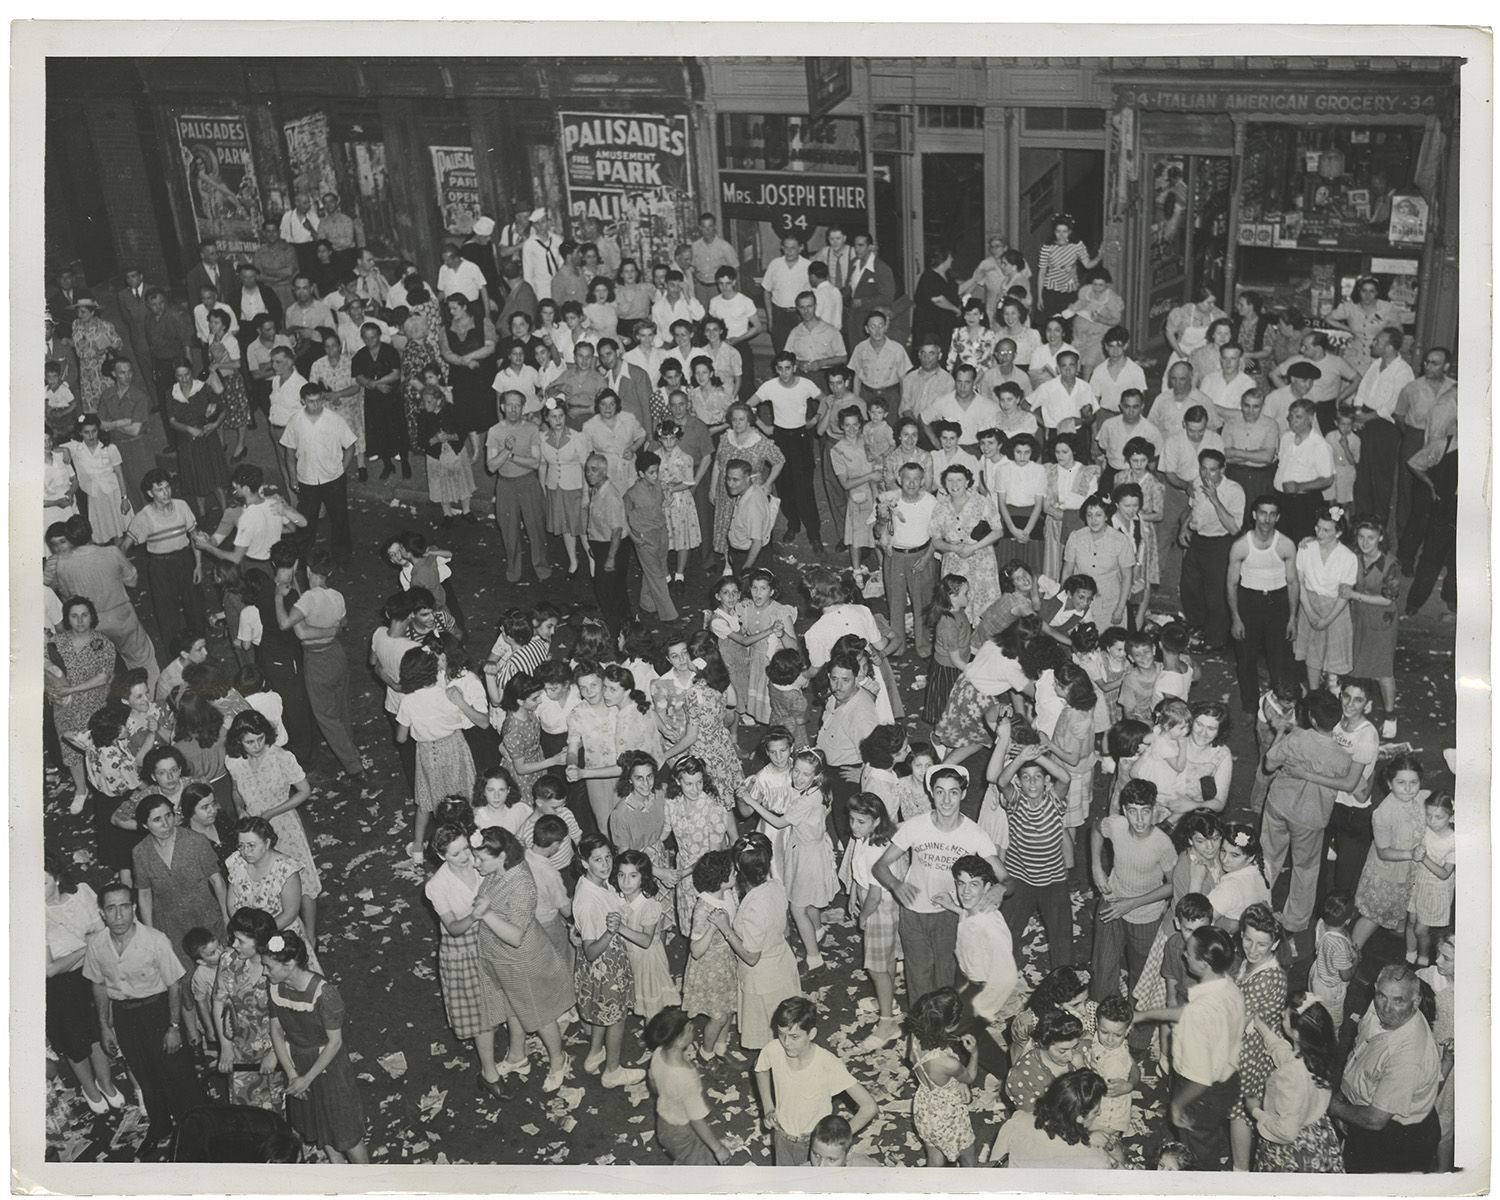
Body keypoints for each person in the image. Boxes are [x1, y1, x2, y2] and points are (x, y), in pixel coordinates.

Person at [83, 882, 207, 1158]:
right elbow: (99, 986)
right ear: (102, 913)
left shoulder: (155, 940)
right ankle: (160, 1127)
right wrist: (105, 1026)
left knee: (179, 1076)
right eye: (111, 909)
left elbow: (174, 985)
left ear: (134, 908)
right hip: (125, 1016)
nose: (118, 916)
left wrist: (174, 1027)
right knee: (145, 1076)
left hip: (158, 1012)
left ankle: (195, 1131)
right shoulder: (97, 944)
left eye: (124, 907)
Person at [1135, 925, 1244, 1170]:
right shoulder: (1226, 985)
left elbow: (1200, 1079)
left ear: (1204, 963)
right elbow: (1188, 1012)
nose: (1184, 954)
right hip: (1227, 1082)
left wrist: (1176, 1105)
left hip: (1199, 1094)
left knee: (1198, 1155)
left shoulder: (1199, 1013)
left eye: (1189, 952)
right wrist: (1146, 1015)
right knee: (1208, 1137)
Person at [265, 929, 370, 1163]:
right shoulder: (275, 986)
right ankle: (337, 1168)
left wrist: (306, 1079)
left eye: (269, 966)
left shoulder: (325, 995)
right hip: (297, 1064)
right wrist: (293, 1075)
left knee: (345, 1132)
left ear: (290, 964)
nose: (265, 971)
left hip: (327, 1067)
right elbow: (277, 1031)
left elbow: (335, 1043)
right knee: (318, 1124)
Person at [1328, 964, 1441, 1172]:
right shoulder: (1381, 1007)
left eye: (1398, 1001)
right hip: (1364, 1112)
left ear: (1415, 1002)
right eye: (1381, 996)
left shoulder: (1408, 1057)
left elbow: (1375, 1119)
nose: (1386, 1008)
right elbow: (1361, 1051)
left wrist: (1334, 1107)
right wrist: (1346, 1100)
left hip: (1394, 1139)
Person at [45, 853, 125, 1117]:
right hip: (60, 987)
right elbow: (50, 969)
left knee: (95, 1031)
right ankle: (90, 1089)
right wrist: (85, 947)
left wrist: (79, 951)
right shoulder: (33, 914)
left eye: (43, 883)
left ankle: (106, 1083)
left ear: (56, 878)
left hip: (91, 974)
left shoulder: (83, 894)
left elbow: (104, 933)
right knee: (73, 1039)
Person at [753, 995, 876, 1165]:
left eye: (794, 1036)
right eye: (781, 1035)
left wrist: (835, 1140)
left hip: (813, 1146)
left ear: (811, 1033)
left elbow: (869, 1106)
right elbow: (761, 1070)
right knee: (785, 1184)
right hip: (781, 1135)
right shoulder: (773, 1050)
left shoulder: (827, 1064)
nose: (786, 1043)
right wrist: (768, 1107)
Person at [1089, 780, 1176, 1001]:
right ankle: (1102, 1014)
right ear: (1124, 810)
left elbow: (1173, 885)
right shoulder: (1116, 825)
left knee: (1141, 974)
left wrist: (1133, 903)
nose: (1139, 820)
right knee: (1103, 967)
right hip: (1112, 901)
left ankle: (1133, 1020)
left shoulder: (1162, 844)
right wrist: (1096, 867)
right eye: (1132, 811)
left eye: (1145, 812)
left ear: (1154, 811)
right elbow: (1097, 829)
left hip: (1145, 915)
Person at [1227, 494, 1299, 714]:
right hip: (1249, 602)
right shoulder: (1241, 546)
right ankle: (1250, 708)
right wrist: (1236, 618)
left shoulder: (1286, 545)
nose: (1266, 519)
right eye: (1262, 513)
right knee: (1246, 659)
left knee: (1279, 660)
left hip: (1278, 603)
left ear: (1277, 517)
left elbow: (1293, 582)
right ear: (1254, 515)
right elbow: (1231, 584)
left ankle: (1280, 707)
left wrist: (1292, 618)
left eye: (1271, 514)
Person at [644, 1006, 732, 1165]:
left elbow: (653, 1084)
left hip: (663, 1123)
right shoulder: (685, 1077)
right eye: (689, 1028)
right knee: (700, 1167)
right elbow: (696, 1120)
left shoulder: (658, 1053)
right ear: (679, 1040)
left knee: (685, 1156)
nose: (693, 1028)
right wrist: (718, 1149)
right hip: (682, 1132)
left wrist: (669, 1094)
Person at [279, 382, 355, 555]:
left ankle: (342, 557)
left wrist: (341, 470)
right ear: (302, 401)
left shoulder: (334, 420)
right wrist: (292, 477)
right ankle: (303, 556)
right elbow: (289, 451)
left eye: (319, 400)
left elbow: (350, 446)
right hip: (307, 480)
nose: (316, 405)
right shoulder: (295, 421)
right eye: (311, 401)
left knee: (340, 520)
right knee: (305, 521)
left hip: (333, 479)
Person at [990, 1068, 1119, 1168]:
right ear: (1079, 1118)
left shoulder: (1018, 1120)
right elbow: (1122, 1178)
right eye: (1096, 1111)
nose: (1100, 1112)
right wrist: (1112, 1148)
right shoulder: (1095, 1158)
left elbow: (995, 1164)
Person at [486, 389, 553, 584]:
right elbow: (491, 467)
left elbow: (535, 462)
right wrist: (506, 450)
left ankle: (542, 567)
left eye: (518, 405)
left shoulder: (531, 429)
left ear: (523, 408)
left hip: (528, 483)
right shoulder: (495, 431)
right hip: (505, 485)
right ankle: (513, 570)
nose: (514, 409)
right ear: (502, 407)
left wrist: (511, 456)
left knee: (536, 528)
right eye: (510, 405)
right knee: (509, 530)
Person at [1294, 504, 1358, 691]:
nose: (1319, 533)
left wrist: (1326, 620)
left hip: (1335, 610)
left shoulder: (1348, 557)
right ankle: (1313, 692)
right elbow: (1299, 581)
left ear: (1337, 534)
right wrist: (1309, 612)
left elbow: (1344, 594)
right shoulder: (1306, 548)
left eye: (1326, 530)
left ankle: (1333, 690)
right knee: (1312, 653)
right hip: (1309, 604)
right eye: (1317, 528)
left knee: (1333, 654)